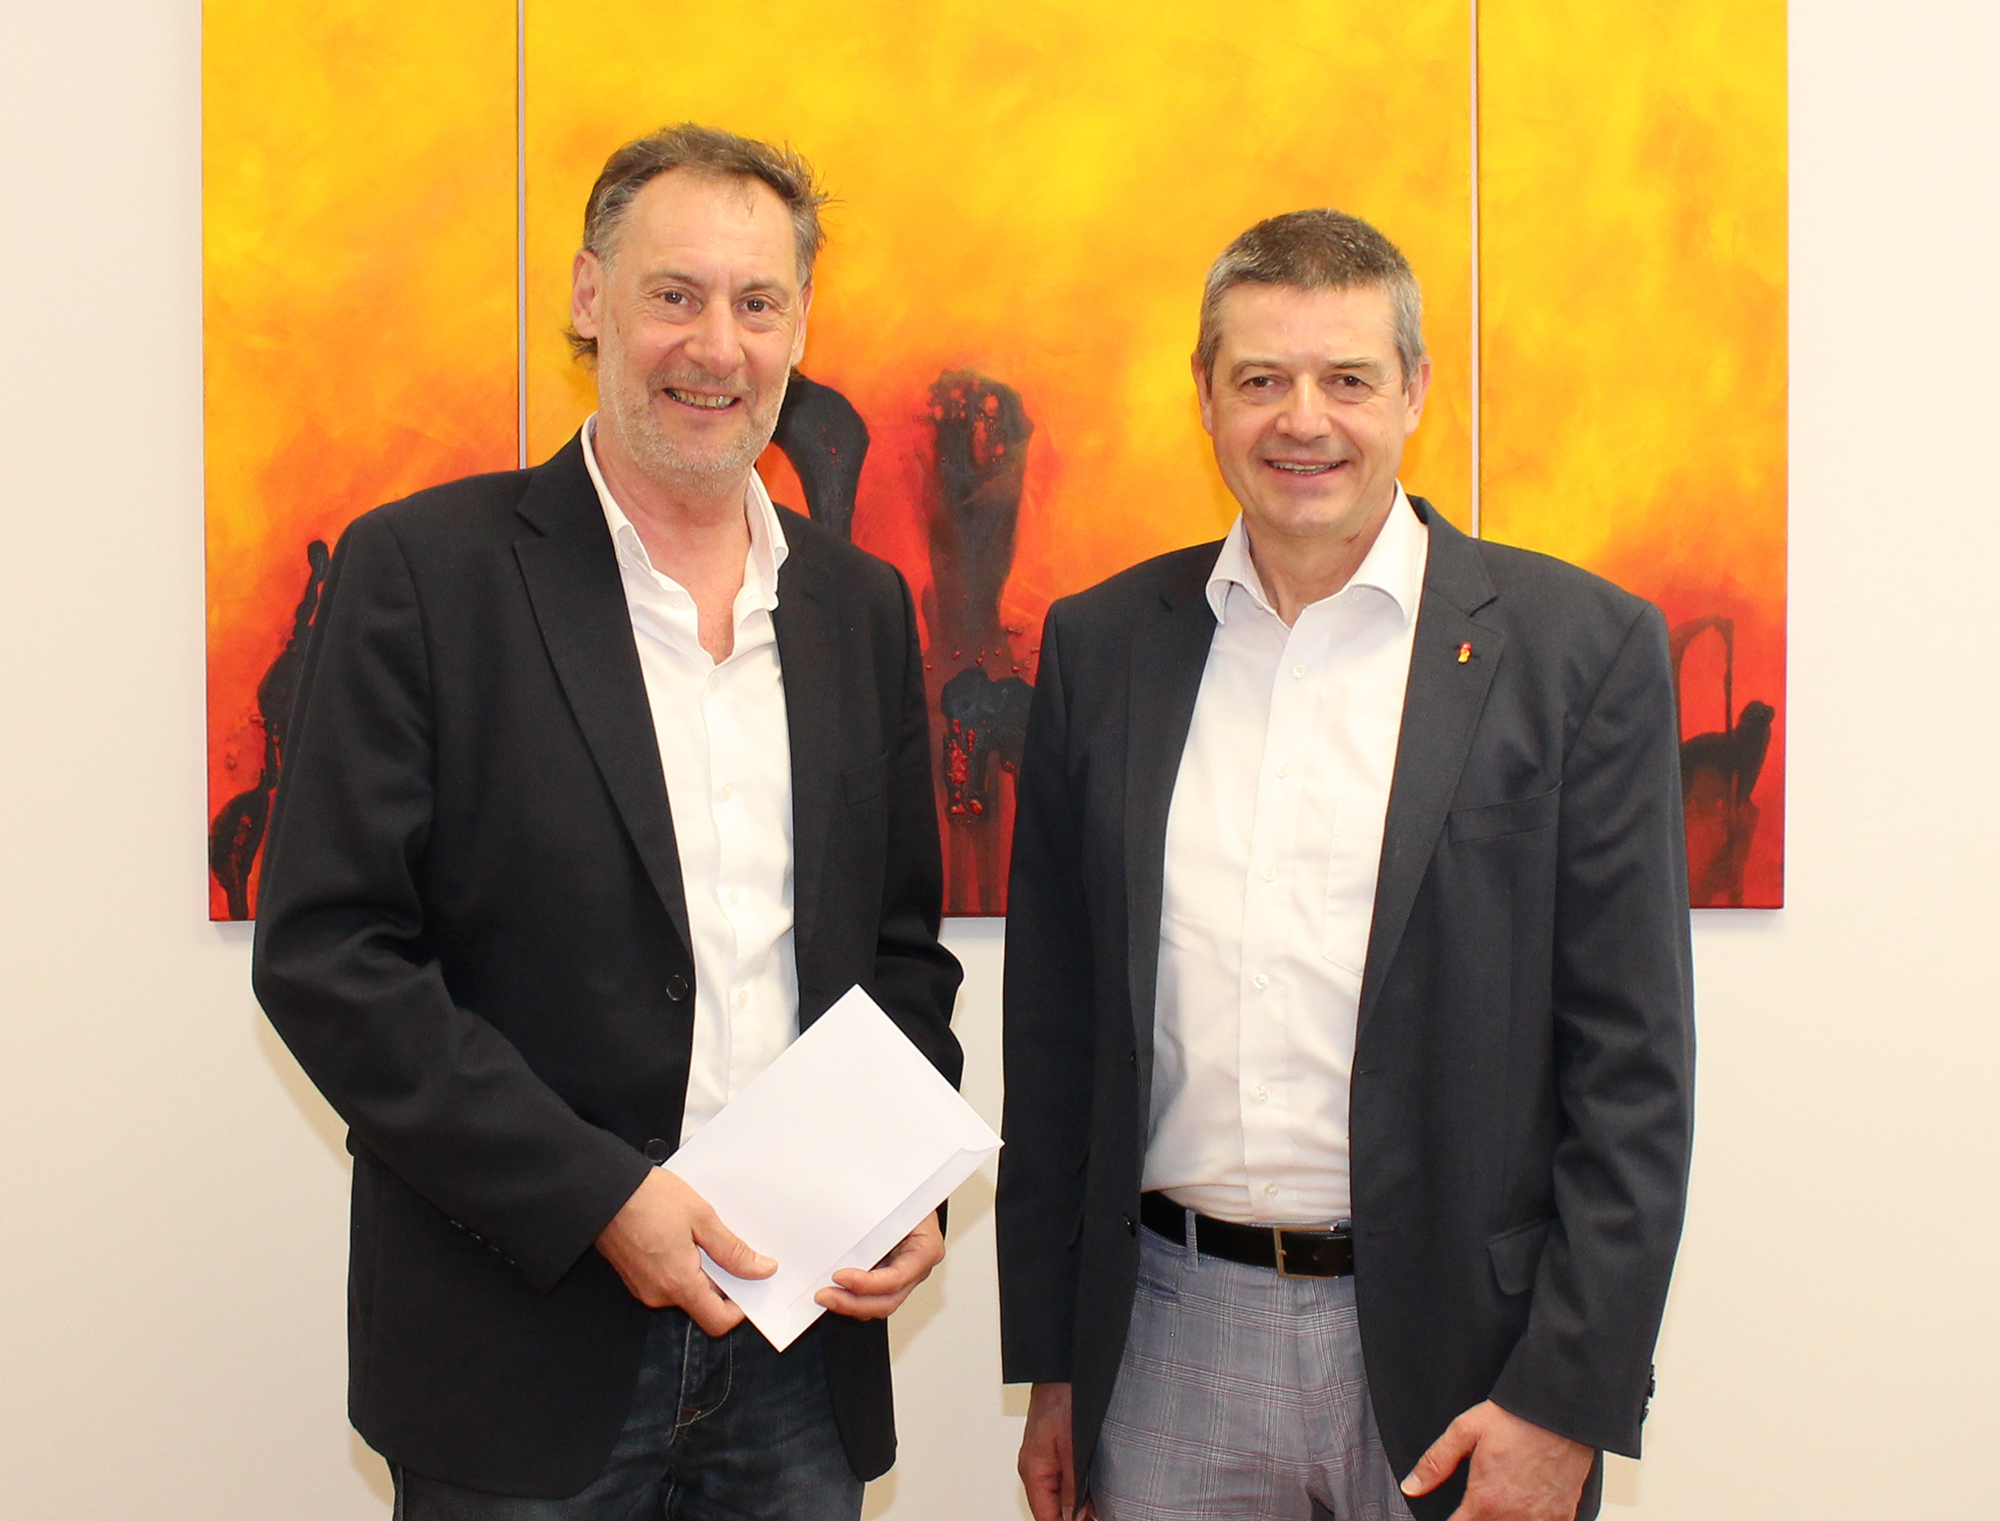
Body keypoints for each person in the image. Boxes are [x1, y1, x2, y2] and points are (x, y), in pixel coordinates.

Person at [252, 124, 963, 1519]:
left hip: (797, 1352)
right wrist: (597, 1199)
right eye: (674, 294)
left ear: (800, 328)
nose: (717, 346)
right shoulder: (424, 573)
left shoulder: (860, 607)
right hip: (520, 1349)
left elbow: (899, 951)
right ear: (590, 296)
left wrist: (900, 1176)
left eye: (757, 303)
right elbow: (333, 958)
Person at [997, 209, 1694, 1521]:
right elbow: (1055, 1037)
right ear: (1206, 394)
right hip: (1162, 1340)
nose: (1302, 420)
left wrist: (1566, 1398)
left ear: (1414, 391)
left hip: (1466, 1361)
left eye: (1348, 379)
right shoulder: (1103, 647)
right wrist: (1056, 1361)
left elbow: (1633, 1076)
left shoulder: (1581, 652)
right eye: (1261, 377)